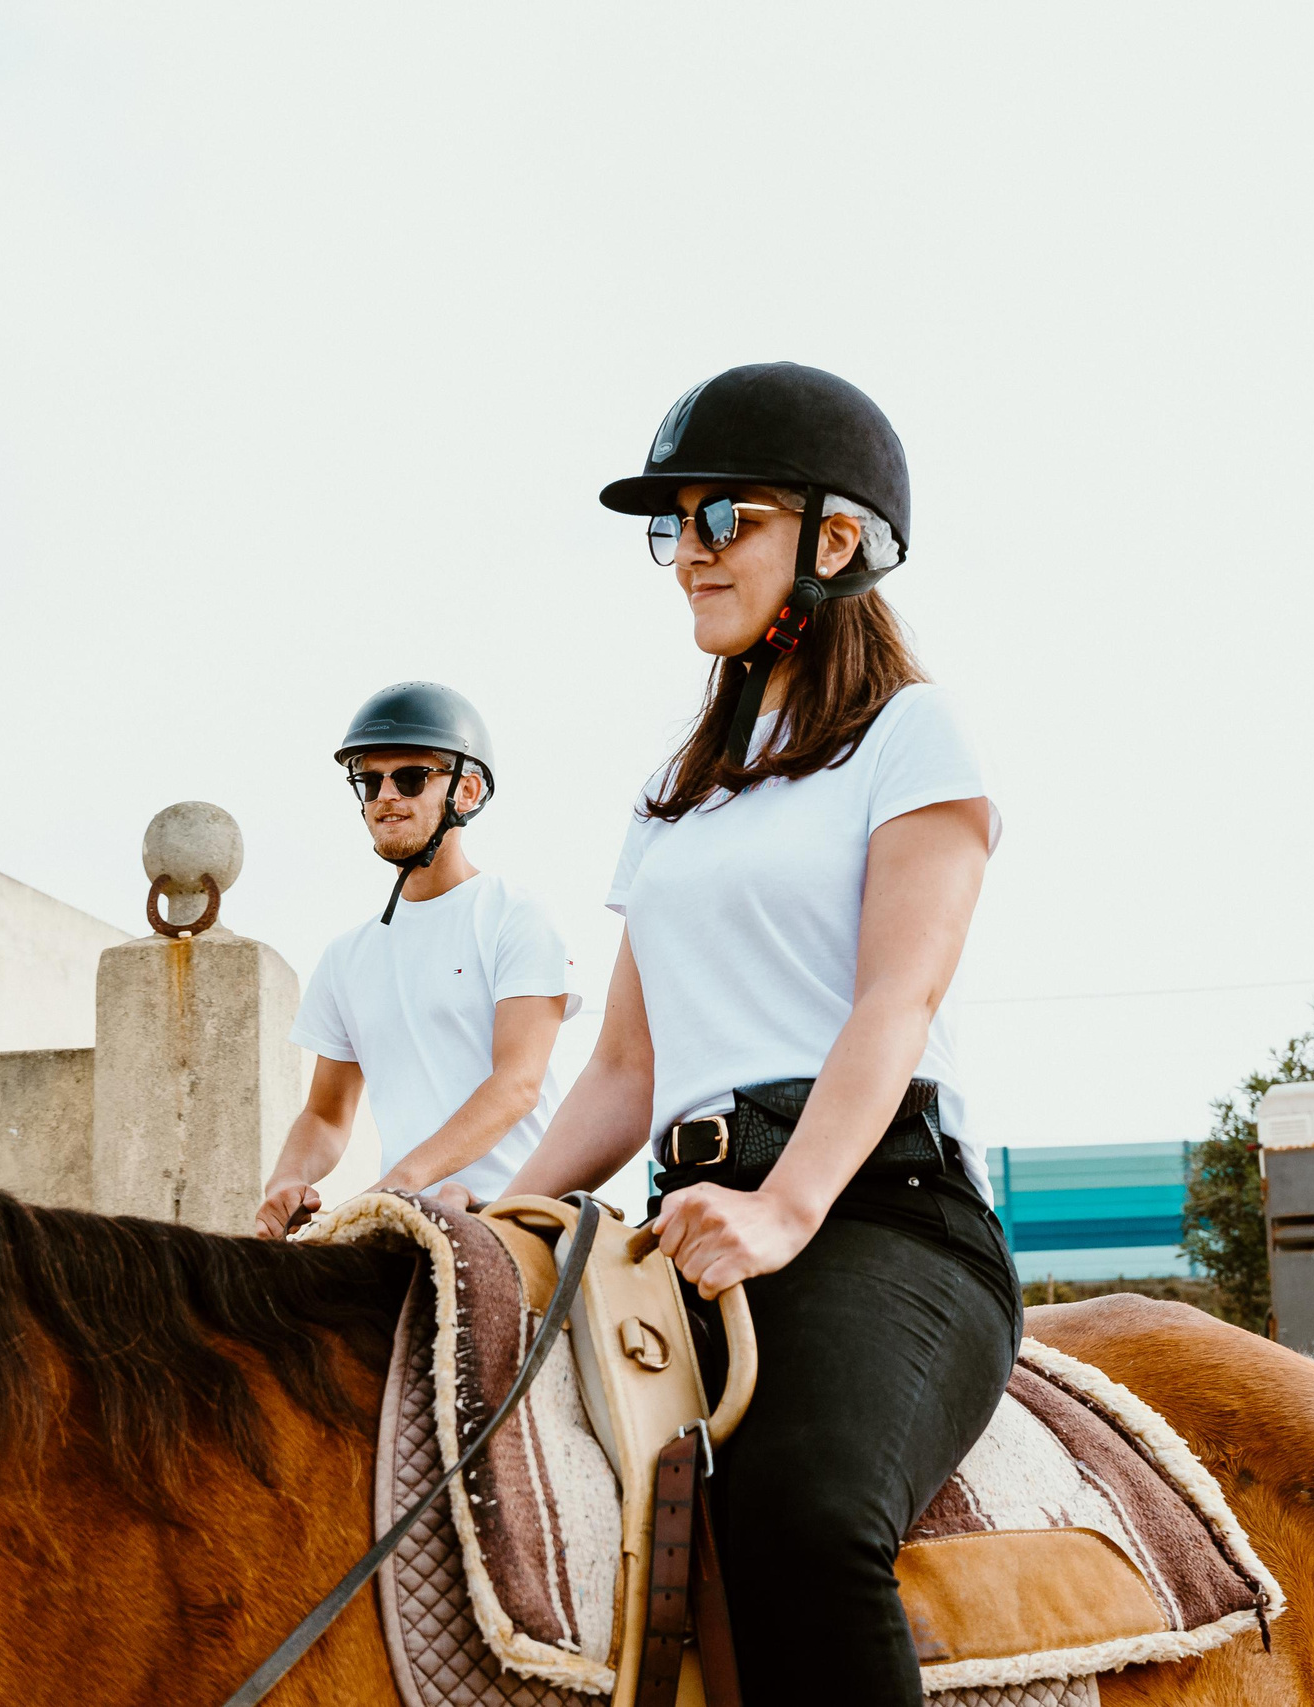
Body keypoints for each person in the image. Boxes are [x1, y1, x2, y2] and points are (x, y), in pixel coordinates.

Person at [492, 363, 1013, 1704]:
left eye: (727, 516)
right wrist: (490, 1224)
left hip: (881, 1212)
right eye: (677, 523)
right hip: (686, 1222)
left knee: (798, 1511)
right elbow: (622, 1068)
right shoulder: (677, 785)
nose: (690, 555)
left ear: (834, 541)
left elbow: (893, 998)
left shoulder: (912, 732)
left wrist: (785, 1208)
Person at [254, 682, 577, 1237]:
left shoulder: (514, 915)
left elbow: (517, 1085)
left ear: (468, 791)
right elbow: (327, 1115)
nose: (384, 796)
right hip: (404, 1225)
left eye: (409, 778)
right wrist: (285, 1180)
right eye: (369, 780)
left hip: (515, 1217)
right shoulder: (345, 957)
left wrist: (397, 1184)